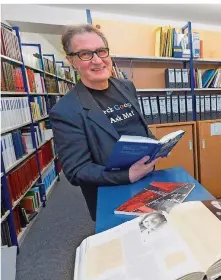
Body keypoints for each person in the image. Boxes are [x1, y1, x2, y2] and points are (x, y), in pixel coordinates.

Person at [49, 25, 159, 221]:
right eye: (85, 54)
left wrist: (156, 145)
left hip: (149, 182)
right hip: (112, 197)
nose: (98, 60)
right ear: (71, 61)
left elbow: (138, 127)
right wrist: (127, 175)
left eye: (101, 51)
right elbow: (76, 170)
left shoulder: (126, 86)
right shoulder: (65, 111)